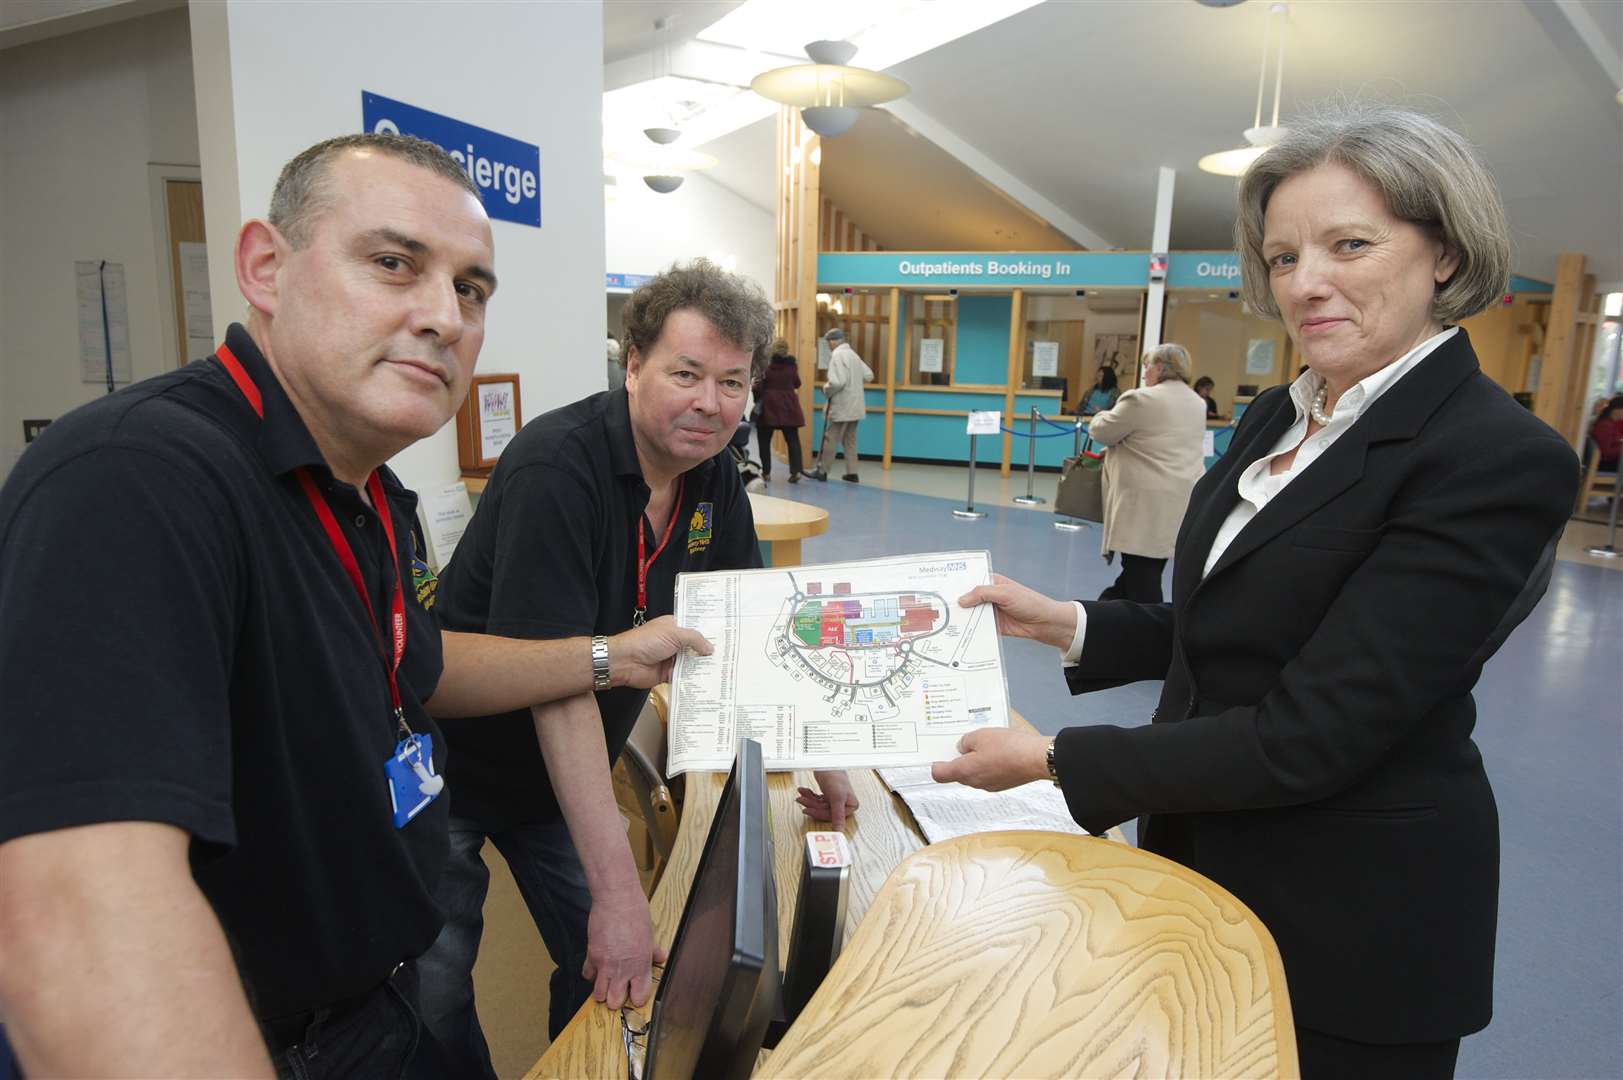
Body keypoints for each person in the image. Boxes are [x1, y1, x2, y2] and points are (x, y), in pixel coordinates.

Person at [0, 134, 707, 1079]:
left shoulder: (369, 490)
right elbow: (81, 921)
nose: (443, 317)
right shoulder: (138, 479)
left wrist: (608, 658)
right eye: (391, 264)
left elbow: (425, 669)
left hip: (398, 994)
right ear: (265, 267)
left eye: (470, 289)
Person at [933, 104, 1579, 1079]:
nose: (1305, 284)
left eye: (1348, 245)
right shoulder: (1284, 410)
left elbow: (1321, 726)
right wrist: (1066, 623)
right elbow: (1236, 622)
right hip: (1201, 861)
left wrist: (1054, 759)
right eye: (1282, 258)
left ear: (1443, 252)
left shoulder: (1493, 457)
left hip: (1349, 921)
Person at [423, 261, 858, 1074]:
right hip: (459, 761)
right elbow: (551, 683)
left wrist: (821, 751)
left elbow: (749, 627)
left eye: (732, 382)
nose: (709, 402)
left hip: (562, 777)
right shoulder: (559, 470)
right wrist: (621, 892)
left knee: (606, 963)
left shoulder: (713, 476)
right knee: (438, 984)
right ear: (631, 366)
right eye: (685, 373)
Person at [1086, 344, 1207, 603]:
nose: (1144, 373)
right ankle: (1098, 618)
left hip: (1143, 505)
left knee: (1142, 581)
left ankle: (1154, 635)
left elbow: (1103, 431)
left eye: (1147, 365)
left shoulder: (1141, 399)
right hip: (1179, 500)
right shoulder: (1197, 403)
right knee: (1139, 573)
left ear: (1161, 367)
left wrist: (1099, 416)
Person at [807, 327, 873, 482]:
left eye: (829, 342)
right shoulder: (853, 355)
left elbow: (838, 382)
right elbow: (869, 375)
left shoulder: (837, 356)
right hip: (856, 406)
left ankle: (822, 471)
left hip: (842, 406)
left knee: (831, 438)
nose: (828, 345)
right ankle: (852, 472)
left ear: (834, 341)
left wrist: (826, 389)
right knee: (850, 440)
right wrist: (854, 383)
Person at [754, 337, 807, 483]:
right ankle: (796, 472)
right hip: (789, 407)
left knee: (764, 440)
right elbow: (797, 383)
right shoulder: (792, 366)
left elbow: (758, 387)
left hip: (768, 408)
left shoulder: (766, 366)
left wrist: (758, 397)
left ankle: (766, 473)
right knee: (793, 440)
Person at [1588, 393, 1622, 471]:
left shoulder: (1609, 423)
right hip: (1606, 465)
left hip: (1611, 461)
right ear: (1616, 410)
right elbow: (1606, 452)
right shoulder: (1605, 426)